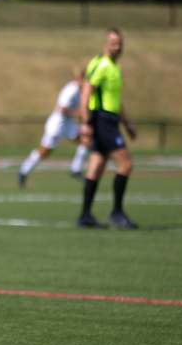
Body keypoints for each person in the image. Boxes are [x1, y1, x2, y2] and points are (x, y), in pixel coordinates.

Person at [77, 28, 138, 229]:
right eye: (113, 42)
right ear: (105, 43)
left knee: (96, 166)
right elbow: (86, 92)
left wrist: (127, 124)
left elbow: (116, 101)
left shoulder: (115, 68)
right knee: (125, 164)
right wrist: (85, 123)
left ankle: (85, 215)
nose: (117, 46)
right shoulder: (100, 65)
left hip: (110, 120)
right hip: (102, 120)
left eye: (120, 43)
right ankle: (117, 213)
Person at [18, 68, 90, 188]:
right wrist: (79, 113)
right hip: (58, 125)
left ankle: (76, 169)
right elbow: (61, 109)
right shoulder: (71, 90)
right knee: (44, 152)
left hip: (68, 124)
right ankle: (23, 171)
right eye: (84, 79)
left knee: (86, 140)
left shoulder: (82, 91)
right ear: (78, 79)